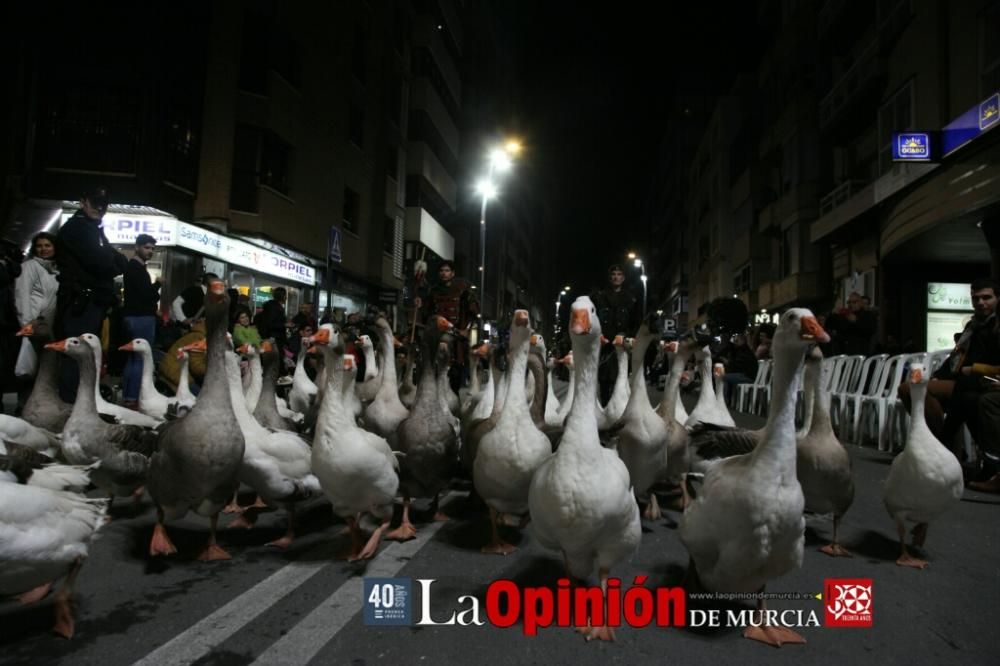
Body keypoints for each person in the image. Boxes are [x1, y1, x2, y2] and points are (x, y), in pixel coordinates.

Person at [899, 278, 1000, 453]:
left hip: (981, 380)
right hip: (961, 379)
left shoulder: (995, 326)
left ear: (997, 298)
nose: (980, 303)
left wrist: (970, 369)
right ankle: (945, 447)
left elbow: (984, 361)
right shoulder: (973, 325)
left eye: (986, 298)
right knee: (910, 388)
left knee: (913, 389)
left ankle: (943, 447)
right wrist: (939, 374)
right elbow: (957, 355)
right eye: (976, 298)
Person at [54, 186, 129, 402]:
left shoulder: (93, 228)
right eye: (95, 202)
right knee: (77, 357)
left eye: (103, 204)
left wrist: (114, 260)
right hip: (80, 304)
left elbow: (116, 261)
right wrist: (114, 261)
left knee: (86, 358)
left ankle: (77, 407)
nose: (100, 207)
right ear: (83, 202)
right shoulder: (78, 228)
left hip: (90, 303)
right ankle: (69, 408)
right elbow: (105, 262)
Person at [13, 232, 59, 407]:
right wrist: (26, 323)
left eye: (47, 245)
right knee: (28, 368)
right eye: (40, 246)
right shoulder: (29, 266)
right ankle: (23, 406)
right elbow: (21, 295)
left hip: (49, 325)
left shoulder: (55, 270)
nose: (44, 249)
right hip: (33, 324)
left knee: (43, 369)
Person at [420, 260, 479, 391]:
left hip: (456, 334)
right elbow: (426, 314)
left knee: (455, 369)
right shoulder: (433, 291)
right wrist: (420, 304)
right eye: (441, 271)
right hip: (436, 333)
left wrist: (466, 330)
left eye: (447, 271)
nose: (444, 273)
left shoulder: (463, 289)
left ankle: (454, 396)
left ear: (452, 273)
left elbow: (473, 313)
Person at [120, 234, 162, 408]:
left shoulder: (133, 268)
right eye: (147, 247)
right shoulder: (136, 269)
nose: (150, 251)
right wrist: (157, 284)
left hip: (132, 317)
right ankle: (133, 397)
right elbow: (148, 296)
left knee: (133, 359)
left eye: (152, 248)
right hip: (141, 318)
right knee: (141, 359)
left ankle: (128, 396)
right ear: (137, 247)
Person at [591, 264, 640, 404]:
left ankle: (617, 409)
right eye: (613, 274)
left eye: (619, 274)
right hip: (603, 344)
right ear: (609, 277)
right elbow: (593, 319)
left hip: (622, 345)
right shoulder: (599, 297)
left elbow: (636, 322)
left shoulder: (631, 298)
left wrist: (627, 336)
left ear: (623, 278)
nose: (616, 277)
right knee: (603, 380)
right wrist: (598, 336)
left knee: (620, 378)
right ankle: (605, 408)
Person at [0, 239, 24, 407]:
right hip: (3, 319)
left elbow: (16, 271)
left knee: (5, 361)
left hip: (6, 320)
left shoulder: (7, 264)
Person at [721, 332, 759, 405]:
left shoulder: (744, 351)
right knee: (725, 376)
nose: (735, 343)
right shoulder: (743, 350)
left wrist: (728, 363)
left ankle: (724, 401)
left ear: (742, 341)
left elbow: (738, 365)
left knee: (723, 377)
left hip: (747, 376)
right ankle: (726, 400)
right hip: (746, 375)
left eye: (737, 341)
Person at [256, 286, 289, 355]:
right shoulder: (275, 308)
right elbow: (270, 324)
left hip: (273, 338)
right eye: (285, 295)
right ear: (282, 296)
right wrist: (284, 325)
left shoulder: (271, 306)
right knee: (275, 360)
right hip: (274, 339)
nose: (286, 297)